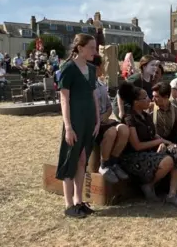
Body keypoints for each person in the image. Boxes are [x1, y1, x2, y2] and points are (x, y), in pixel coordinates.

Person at [118, 82, 177, 208]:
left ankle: (172, 194)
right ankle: (148, 185)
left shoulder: (145, 116)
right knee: (168, 160)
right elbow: (137, 146)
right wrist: (159, 142)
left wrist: (166, 143)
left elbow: (154, 135)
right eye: (145, 98)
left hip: (148, 151)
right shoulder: (129, 118)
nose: (149, 100)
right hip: (133, 157)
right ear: (135, 102)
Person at [56, 33, 100, 218]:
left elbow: (94, 95)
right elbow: (64, 100)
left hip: (89, 120)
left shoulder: (91, 69)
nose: (95, 51)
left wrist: (97, 119)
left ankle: (78, 201)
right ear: (80, 48)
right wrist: (68, 127)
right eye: (91, 47)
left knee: (83, 160)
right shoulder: (68, 69)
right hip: (74, 121)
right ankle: (68, 204)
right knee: (70, 161)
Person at [92, 55, 130, 183]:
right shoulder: (87, 85)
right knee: (112, 131)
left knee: (124, 129)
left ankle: (113, 162)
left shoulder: (101, 84)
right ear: (97, 67)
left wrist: (106, 115)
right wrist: (98, 119)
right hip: (94, 124)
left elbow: (108, 106)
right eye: (102, 65)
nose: (104, 67)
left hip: (104, 120)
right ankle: (104, 165)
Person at [114, 55, 159, 120]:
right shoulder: (136, 79)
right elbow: (119, 93)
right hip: (124, 106)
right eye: (152, 65)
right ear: (144, 66)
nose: (155, 67)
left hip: (136, 106)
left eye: (156, 65)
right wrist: (121, 111)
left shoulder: (152, 79)